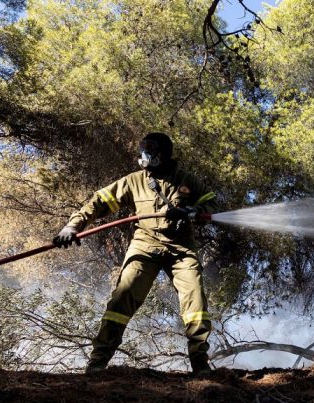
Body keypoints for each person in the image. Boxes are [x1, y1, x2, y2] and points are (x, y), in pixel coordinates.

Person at [53, 132, 221, 375]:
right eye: (143, 150)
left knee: (194, 298)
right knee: (124, 295)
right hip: (145, 243)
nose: (144, 155)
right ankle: (98, 362)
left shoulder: (187, 180)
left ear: (163, 154)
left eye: (150, 151)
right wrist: (73, 226)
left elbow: (212, 205)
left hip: (181, 247)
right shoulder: (134, 181)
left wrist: (191, 210)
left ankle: (199, 363)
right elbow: (100, 201)